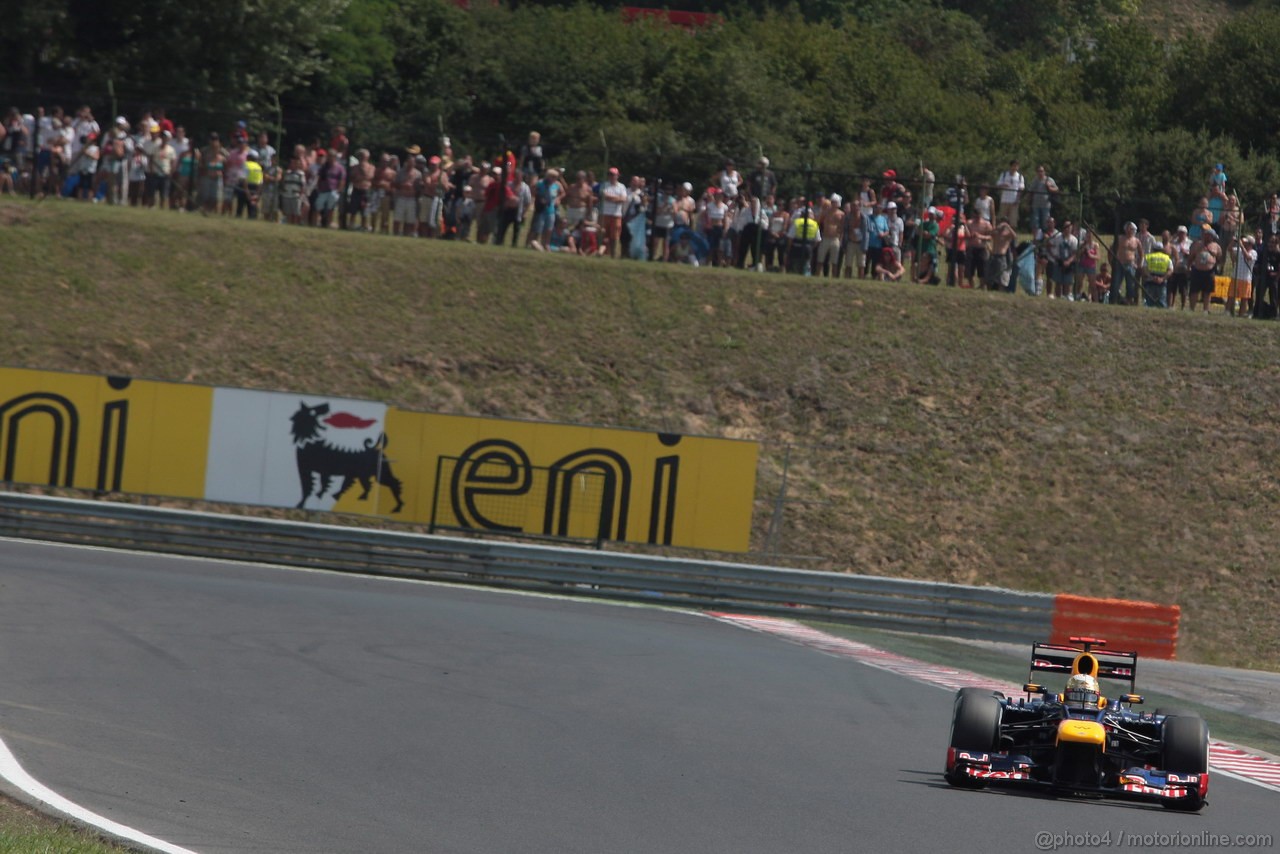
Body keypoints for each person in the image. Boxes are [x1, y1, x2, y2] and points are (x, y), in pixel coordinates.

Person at [1189, 227, 1221, 312]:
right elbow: (1191, 256)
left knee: (1207, 292)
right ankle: (1192, 309)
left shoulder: (1216, 246)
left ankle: (1205, 310)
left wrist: (1213, 255)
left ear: (1212, 236)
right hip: (1197, 270)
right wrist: (1188, 266)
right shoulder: (1197, 244)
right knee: (1194, 291)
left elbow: (1219, 259)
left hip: (1209, 271)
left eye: (1209, 236)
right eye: (1205, 235)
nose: (1207, 237)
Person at [598, 167, 628, 258]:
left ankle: (613, 254)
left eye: (613, 175)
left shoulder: (621, 186)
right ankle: (601, 252)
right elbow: (603, 196)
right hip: (604, 213)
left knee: (615, 235)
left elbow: (623, 199)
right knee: (602, 233)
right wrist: (616, 198)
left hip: (616, 214)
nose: (611, 176)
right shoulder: (604, 185)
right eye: (610, 174)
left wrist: (611, 198)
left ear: (617, 176)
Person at [1110, 222, 1142, 305]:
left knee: (1130, 285)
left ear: (1134, 230)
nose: (1129, 230)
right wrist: (1111, 262)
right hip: (1119, 264)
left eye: (1131, 229)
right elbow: (1111, 249)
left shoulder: (1136, 241)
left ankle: (1129, 301)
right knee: (1116, 283)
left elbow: (1141, 254)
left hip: (1131, 265)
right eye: (1128, 228)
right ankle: (1114, 300)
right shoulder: (1120, 238)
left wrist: (1139, 265)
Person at [1226, 235, 1256, 317]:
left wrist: (1242, 246)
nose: (1244, 243)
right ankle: (1227, 311)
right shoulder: (1238, 250)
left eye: (1246, 242)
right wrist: (1233, 241)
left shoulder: (1253, 252)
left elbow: (1248, 257)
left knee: (1244, 298)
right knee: (1231, 295)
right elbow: (1229, 249)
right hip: (1236, 277)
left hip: (1246, 279)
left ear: (1250, 244)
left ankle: (1241, 314)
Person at [1141, 240, 1173, 308]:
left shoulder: (1148, 257)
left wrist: (1151, 277)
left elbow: (1144, 269)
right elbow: (1170, 270)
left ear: (1153, 249)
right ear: (1162, 250)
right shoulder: (1167, 258)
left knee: (1149, 301)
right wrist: (1162, 278)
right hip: (1162, 281)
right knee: (1162, 301)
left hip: (1150, 280)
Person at [995, 160, 1024, 227]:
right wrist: (1003, 185)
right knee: (1001, 218)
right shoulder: (1004, 174)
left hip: (1014, 201)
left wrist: (1018, 199)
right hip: (1004, 200)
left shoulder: (1020, 177)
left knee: (1013, 220)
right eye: (1013, 165)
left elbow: (1021, 188)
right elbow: (998, 184)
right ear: (1010, 166)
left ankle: (1012, 235)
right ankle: (1000, 234)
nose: (1015, 167)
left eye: (1016, 166)